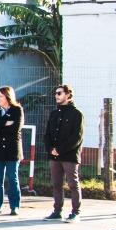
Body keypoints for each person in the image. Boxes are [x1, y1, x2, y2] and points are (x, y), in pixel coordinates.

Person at [44, 84, 83, 221]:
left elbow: (77, 137)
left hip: (69, 155)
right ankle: (57, 211)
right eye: (56, 93)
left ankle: (76, 212)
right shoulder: (54, 113)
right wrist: (51, 149)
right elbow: (48, 134)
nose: (56, 96)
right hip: (54, 156)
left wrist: (60, 149)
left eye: (59, 93)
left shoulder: (76, 114)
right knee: (56, 184)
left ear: (68, 95)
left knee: (73, 184)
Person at [0, 86, 24, 215]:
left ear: (8, 97)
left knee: (12, 178)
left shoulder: (17, 110)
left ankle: (15, 206)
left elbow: (15, 128)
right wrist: (4, 123)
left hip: (12, 150)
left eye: (1, 96)